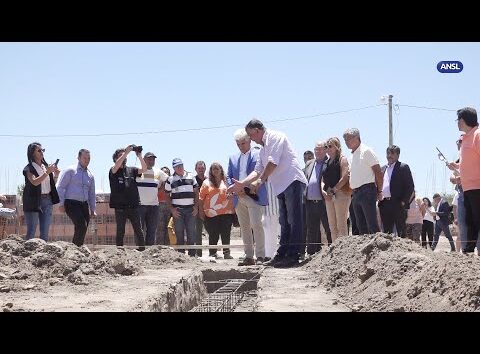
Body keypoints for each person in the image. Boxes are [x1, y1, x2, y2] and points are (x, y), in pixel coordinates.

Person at [228, 119, 307, 268]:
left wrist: (260, 181)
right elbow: (257, 170)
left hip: (292, 181)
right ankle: (282, 253)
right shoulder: (263, 149)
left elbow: (272, 163)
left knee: (294, 220)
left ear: (257, 131)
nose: (251, 139)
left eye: (251, 136)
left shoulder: (275, 137)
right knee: (284, 221)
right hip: (281, 186)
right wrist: (242, 184)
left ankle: (294, 255)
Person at [227, 129, 268, 266]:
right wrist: (236, 190)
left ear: (249, 140)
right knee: (244, 227)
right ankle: (248, 256)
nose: (240, 146)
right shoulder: (232, 158)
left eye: (243, 143)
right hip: (238, 198)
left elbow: (261, 173)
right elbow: (228, 176)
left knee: (256, 224)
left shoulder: (259, 154)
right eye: (238, 144)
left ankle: (261, 256)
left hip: (253, 195)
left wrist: (245, 188)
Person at [448, 107, 480, 254]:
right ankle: (468, 250)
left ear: (464, 120)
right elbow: (469, 163)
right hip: (467, 188)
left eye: (458, 120)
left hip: (477, 187)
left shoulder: (477, 135)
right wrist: (456, 165)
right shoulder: (466, 137)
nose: (457, 123)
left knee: (477, 220)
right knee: (470, 221)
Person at [343, 128, 382, 235]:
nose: (346, 141)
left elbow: (378, 171)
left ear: (357, 138)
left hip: (367, 190)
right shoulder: (352, 156)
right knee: (360, 226)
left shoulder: (366, 151)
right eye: (345, 139)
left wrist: (380, 190)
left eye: (349, 138)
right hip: (355, 193)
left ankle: (378, 249)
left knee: (371, 224)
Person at [109, 145, 147, 251]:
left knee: (138, 230)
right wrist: (126, 152)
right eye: (120, 155)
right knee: (121, 230)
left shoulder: (131, 170)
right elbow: (116, 167)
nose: (124, 157)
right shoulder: (113, 170)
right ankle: (119, 252)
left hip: (133, 206)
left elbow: (144, 169)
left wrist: (139, 156)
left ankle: (142, 250)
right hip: (120, 207)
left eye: (124, 155)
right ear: (115, 158)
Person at [56, 149, 96, 246]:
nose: (87, 160)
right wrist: (61, 204)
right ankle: (75, 249)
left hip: (84, 205)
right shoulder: (70, 171)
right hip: (71, 203)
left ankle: (77, 248)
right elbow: (60, 187)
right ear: (78, 158)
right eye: (84, 158)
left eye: (89, 158)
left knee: (83, 227)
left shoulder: (90, 175)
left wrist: (93, 209)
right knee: (81, 225)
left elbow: (92, 194)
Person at [22, 142, 60, 241]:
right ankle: (27, 254)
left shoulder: (45, 166)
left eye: (43, 150)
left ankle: (42, 255)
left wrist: (56, 175)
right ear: (32, 153)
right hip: (33, 201)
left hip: (47, 200)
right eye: (39, 150)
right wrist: (47, 172)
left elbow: (50, 185)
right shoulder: (28, 168)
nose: (42, 152)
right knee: (31, 231)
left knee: (45, 232)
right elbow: (34, 182)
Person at [199, 162, 234, 259]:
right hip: (211, 213)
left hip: (227, 212)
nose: (215, 170)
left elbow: (233, 193)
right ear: (210, 171)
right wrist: (201, 211)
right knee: (213, 234)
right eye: (213, 169)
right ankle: (212, 253)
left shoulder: (227, 181)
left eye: (217, 168)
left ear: (221, 170)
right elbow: (201, 198)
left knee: (226, 233)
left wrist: (232, 195)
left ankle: (226, 253)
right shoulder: (206, 182)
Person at [378, 145, 415, 238]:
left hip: (398, 204)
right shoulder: (383, 169)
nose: (389, 155)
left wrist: (403, 202)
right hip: (384, 203)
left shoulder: (403, 167)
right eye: (388, 153)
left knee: (401, 231)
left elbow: (410, 186)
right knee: (386, 233)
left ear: (398, 155)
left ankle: (403, 252)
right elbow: (378, 184)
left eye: (392, 153)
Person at [164, 158, 199, 256]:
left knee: (191, 233)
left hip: (190, 210)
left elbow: (196, 193)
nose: (179, 168)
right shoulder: (170, 179)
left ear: (183, 165)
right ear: (174, 168)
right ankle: (181, 256)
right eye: (177, 166)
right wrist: (172, 209)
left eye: (181, 165)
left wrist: (196, 207)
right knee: (179, 234)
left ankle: (192, 255)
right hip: (177, 210)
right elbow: (167, 195)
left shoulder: (191, 177)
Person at [303, 140, 331, 255]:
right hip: (310, 202)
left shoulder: (329, 163)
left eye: (320, 149)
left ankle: (332, 253)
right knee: (311, 230)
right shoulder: (309, 163)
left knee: (328, 228)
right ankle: (311, 254)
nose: (317, 151)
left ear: (325, 150)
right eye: (316, 149)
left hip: (324, 202)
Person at [322, 137, 352, 242]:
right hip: (329, 196)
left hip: (341, 194)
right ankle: (335, 250)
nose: (328, 149)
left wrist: (334, 189)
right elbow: (322, 179)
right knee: (332, 226)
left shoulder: (342, 159)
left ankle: (344, 251)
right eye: (326, 147)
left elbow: (345, 177)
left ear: (337, 147)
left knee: (341, 224)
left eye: (330, 146)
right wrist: (324, 191)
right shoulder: (326, 162)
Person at [136, 152, 168, 246]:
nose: (151, 161)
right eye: (149, 159)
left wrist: (161, 188)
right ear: (144, 160)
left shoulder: (158, 172)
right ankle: (139, 251)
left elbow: (168, 180)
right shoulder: (138, 170)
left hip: (153, 206)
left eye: (153, 159)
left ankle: (149, 251)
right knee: (139, 230)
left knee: (152, 230)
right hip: (139, 206)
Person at [194, 161, 207, 257]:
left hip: (209, 209)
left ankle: (213, 252)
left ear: (205, 169)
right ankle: (199, 254)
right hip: (197, 209)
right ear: (196, 169)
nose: (201, 170)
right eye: (199, 168)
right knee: (198, 232)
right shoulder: (193, 180)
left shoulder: (209, 180)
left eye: (202, 168)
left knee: (213, 231)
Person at [156, 166, 172, 245]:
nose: (165, 174)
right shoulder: (157, 183)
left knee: (168, 228)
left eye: (167, 172)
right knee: (160, 228)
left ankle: (167, 247)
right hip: (159, 205)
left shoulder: (171, 183)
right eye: (163, 172)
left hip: (169, 206)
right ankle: (159, 247)